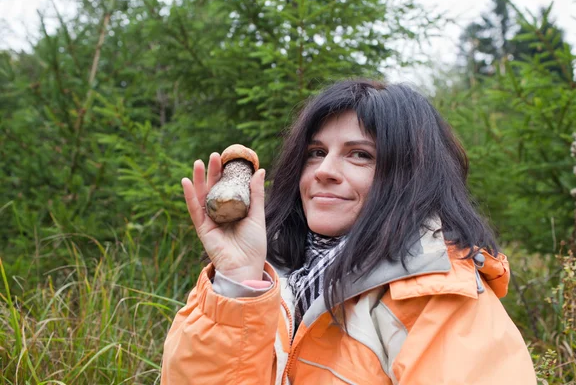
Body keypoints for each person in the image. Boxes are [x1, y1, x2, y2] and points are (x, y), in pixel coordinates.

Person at [160, 79, 537, 384]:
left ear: (411, 175)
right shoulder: (261, 281)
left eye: (360, 154)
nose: (325, 170)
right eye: (316, 152)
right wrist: (238, 282)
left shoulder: (439, 298)